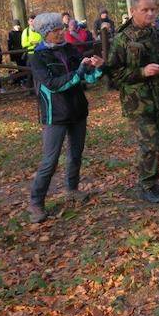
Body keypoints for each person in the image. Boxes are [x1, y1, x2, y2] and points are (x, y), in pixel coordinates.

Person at [27, 12, 104, 223]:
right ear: (45, 34)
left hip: (77, 110)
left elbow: (86, 78)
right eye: (55, 31)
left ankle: (72, 189)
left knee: (75, 154)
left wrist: (97, 69)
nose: (60, 33)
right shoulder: (37, 57)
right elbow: (54, 84)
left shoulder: (70, 50)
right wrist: (79, 72)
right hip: (55, 114)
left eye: (60, 29)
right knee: (49, 161)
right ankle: (36, 202)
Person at [106, 0, 159, 203]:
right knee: (148, 144)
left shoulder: (157, 34)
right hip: (137, 102)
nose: (150, 14)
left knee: (156, 142)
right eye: (144, 10)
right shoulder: (122, 39)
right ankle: (146, 186)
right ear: (132, 11)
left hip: (157, 97)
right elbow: (113, 74)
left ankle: (152, 183)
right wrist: (141, 72)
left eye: (152, 10)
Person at [21, 14, 42, 90]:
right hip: (31, 54)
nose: (33, 22)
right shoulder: (25, 31)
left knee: (41, 71)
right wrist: (31, 43)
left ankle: (40, 88)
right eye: (31, 21)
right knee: (30, 72)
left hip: (41, 53)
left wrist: (40, 43)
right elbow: (23, 44)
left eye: (34, 20)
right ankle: (29, 88)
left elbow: (44, 39)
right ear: (28, 22)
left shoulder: (40, 29)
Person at [7, 19, 24, 85]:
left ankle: (25, 79)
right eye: (16, 25)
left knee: (25, 66)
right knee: (19, 67)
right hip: (16, 54)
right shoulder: (11, 34)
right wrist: (12, 56)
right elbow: (10, 46)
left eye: (18, 25)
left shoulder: (22, 32)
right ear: (13, 26)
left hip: (24, 52)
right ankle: (21, 80)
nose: (18, 27)